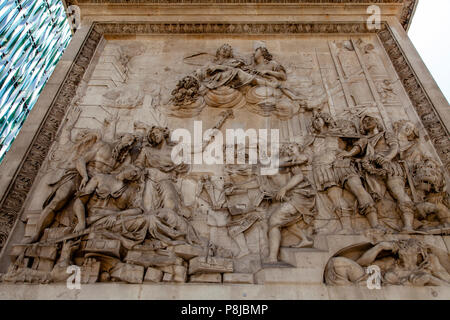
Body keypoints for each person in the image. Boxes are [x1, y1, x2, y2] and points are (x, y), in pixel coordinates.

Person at [340, 115, 415, 232]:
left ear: (377, 121)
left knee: (398, 192)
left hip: (389, 167)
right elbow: (358, 148)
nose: (367, 122)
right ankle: (377, 225)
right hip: (370, 170)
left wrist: (387, 158)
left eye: (370, 119)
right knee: (372, 196)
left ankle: (408, 226)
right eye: (364, 122)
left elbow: (394, 147)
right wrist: (348, 154)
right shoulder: (364, 139)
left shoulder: (386, 134)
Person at [266, 143, 315, 263]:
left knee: (274, 221)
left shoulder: (294, 161)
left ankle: (272, 257)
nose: (289, 149)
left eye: (291, 147)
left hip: (300, 196)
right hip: (294, 196)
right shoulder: (286, 161)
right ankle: (305, 240)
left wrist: (284, 189)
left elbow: (299, 177)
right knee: (284, 220)